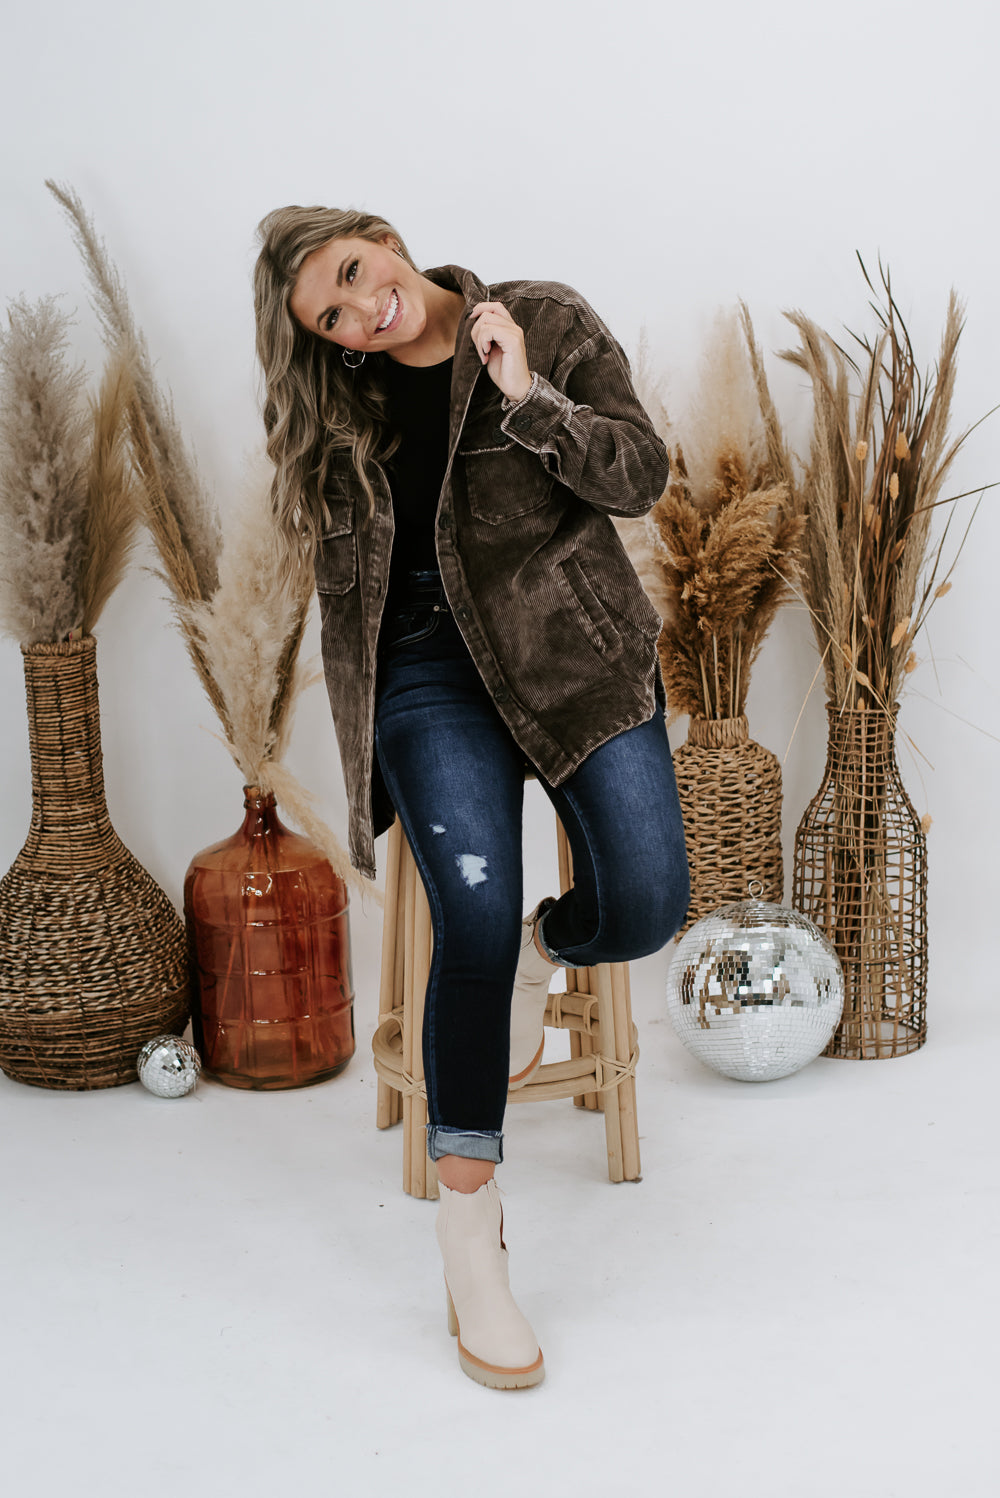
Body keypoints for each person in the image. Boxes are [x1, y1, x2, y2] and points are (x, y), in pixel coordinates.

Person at [253, 207, 689, 1390]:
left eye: (354, 274)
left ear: (382, 236)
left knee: (647, 902)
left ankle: (553, 947)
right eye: (332, 318)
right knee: (473, 917)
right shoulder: (342, 417)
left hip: (571, 655)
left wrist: (527, 395)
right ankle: (469, 1231)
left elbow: (641, 477)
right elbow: (348, 600)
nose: (362, 311)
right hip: (428, 679)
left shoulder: (539, 316)